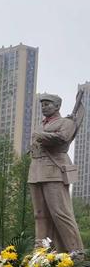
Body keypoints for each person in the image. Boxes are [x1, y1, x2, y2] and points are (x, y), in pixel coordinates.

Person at [28, 94, 84, 253]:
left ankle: (76, 252)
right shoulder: (41, 125)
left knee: (60, 213)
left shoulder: (66, 122)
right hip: (36, 170)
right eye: (42, 104)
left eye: (47, 104)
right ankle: (41, 252)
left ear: (57, 106)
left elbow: (63, 138)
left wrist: (40, 136)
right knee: (39, 214)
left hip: (54, 171)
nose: (44, 107)